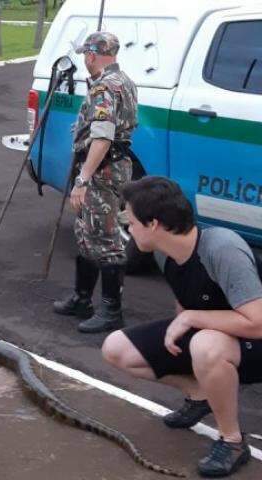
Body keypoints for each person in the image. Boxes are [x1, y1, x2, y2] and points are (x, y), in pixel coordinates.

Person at [102, 177, 262, 478]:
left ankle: (233, 442)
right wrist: (183, 324)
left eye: (131, 220)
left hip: (253, 341)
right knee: (116, 348)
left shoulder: (222, 248)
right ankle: (200, 395)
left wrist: (190, 320)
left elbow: (257, 323)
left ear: (153, 224)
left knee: (205, 346)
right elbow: (185, 303)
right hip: (219, 337)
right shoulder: (166, 253)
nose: (128, 228)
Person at [52, 32, 138, 334]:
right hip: (109, 166)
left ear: (91, 55)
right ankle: (82, 299)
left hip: (102, 170)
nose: (84, 61)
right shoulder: (123, 80)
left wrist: (83, 178)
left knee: (106, 238)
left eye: (85, 56)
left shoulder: (104, 87)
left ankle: (112, 311)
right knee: (87, 231)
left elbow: (102, 136)